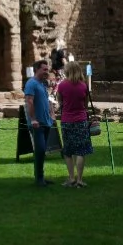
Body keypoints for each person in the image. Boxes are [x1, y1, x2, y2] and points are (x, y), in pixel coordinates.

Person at [56, 61, 92, 189]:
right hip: (81, 121)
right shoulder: (83, 86)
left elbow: (60, 103)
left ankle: (71, 178)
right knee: (81, 151)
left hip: (67, 121)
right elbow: (86, 105)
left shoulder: (62, 86)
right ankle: (80, 180)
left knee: (68, 151)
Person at [23, 57, 54, 187]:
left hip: (46, 122)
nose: (47, 71)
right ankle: (39, 179)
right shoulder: (31, 83)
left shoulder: (42, 83)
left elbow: (48, 100)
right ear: (37, 70)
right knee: (40, 150)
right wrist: (33, 119)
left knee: (42, 151)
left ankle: (41, 177)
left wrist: (52, 114)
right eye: (44, 69)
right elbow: (29, 101)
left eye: (48, 69)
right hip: (38, 124)